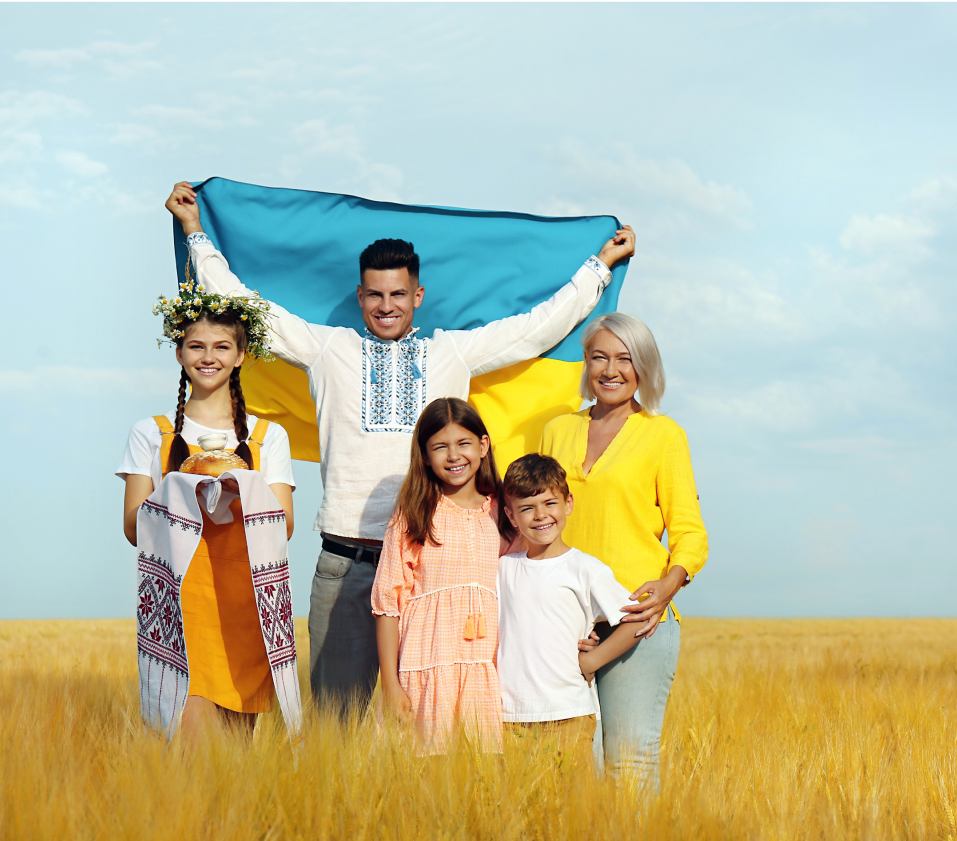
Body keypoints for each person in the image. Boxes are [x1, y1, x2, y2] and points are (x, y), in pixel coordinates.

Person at [165, 181, 635, 718]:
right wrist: (195, 231)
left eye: (397, 295)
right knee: (333, 731)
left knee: (438, 726)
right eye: (374, 295)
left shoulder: (452, 352)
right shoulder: (326, 349)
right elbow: (243, 304)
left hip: (438, 571)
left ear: (418, 297)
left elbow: (536, 328)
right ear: (361, 296)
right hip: (347, 564)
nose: (386, 306)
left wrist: (599, 265)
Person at [117, 284, 297, 742]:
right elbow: (134, 526)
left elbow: (285, 525)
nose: (208, 356)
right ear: (178, 352)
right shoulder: (151, 433)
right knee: (187, 754)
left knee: (233, 765)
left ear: (241, 355)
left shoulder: (266, 437)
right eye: (196, 345)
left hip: (248, 608)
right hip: (181, 608)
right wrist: (183, 493)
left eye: (222, 346)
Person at [538, 312, 707, 789]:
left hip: (637, 618)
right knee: (567, 768)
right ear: (586, 365)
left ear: (643, 368)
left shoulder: (663, 435)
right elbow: (538, 515)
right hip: (566, 620)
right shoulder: (557, 431)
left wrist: (669, 586)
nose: (610, 370)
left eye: (624, 359)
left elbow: (690, 533)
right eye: (599, 357)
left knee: (629, 765)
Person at [371, 398, 514, 753]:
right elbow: (388, 604)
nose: (454, 456)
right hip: (427, 660)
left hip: (487, 664)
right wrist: (391, 684)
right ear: (424, 455)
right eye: (440, 447)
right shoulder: (414, 512)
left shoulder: (504, 510)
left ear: (483, 446)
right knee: (422, 774)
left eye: (464, 443)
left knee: (485, 777)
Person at [497, 453, 646, 771]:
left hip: (569, 713)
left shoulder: (585, 569)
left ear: (568, 503)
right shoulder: (503, 569)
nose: (540, 516)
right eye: (527, 508)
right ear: (512, 517)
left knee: (571, 811)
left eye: (550, 503)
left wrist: (592, 659)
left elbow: (639, 619)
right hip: (509, 717)